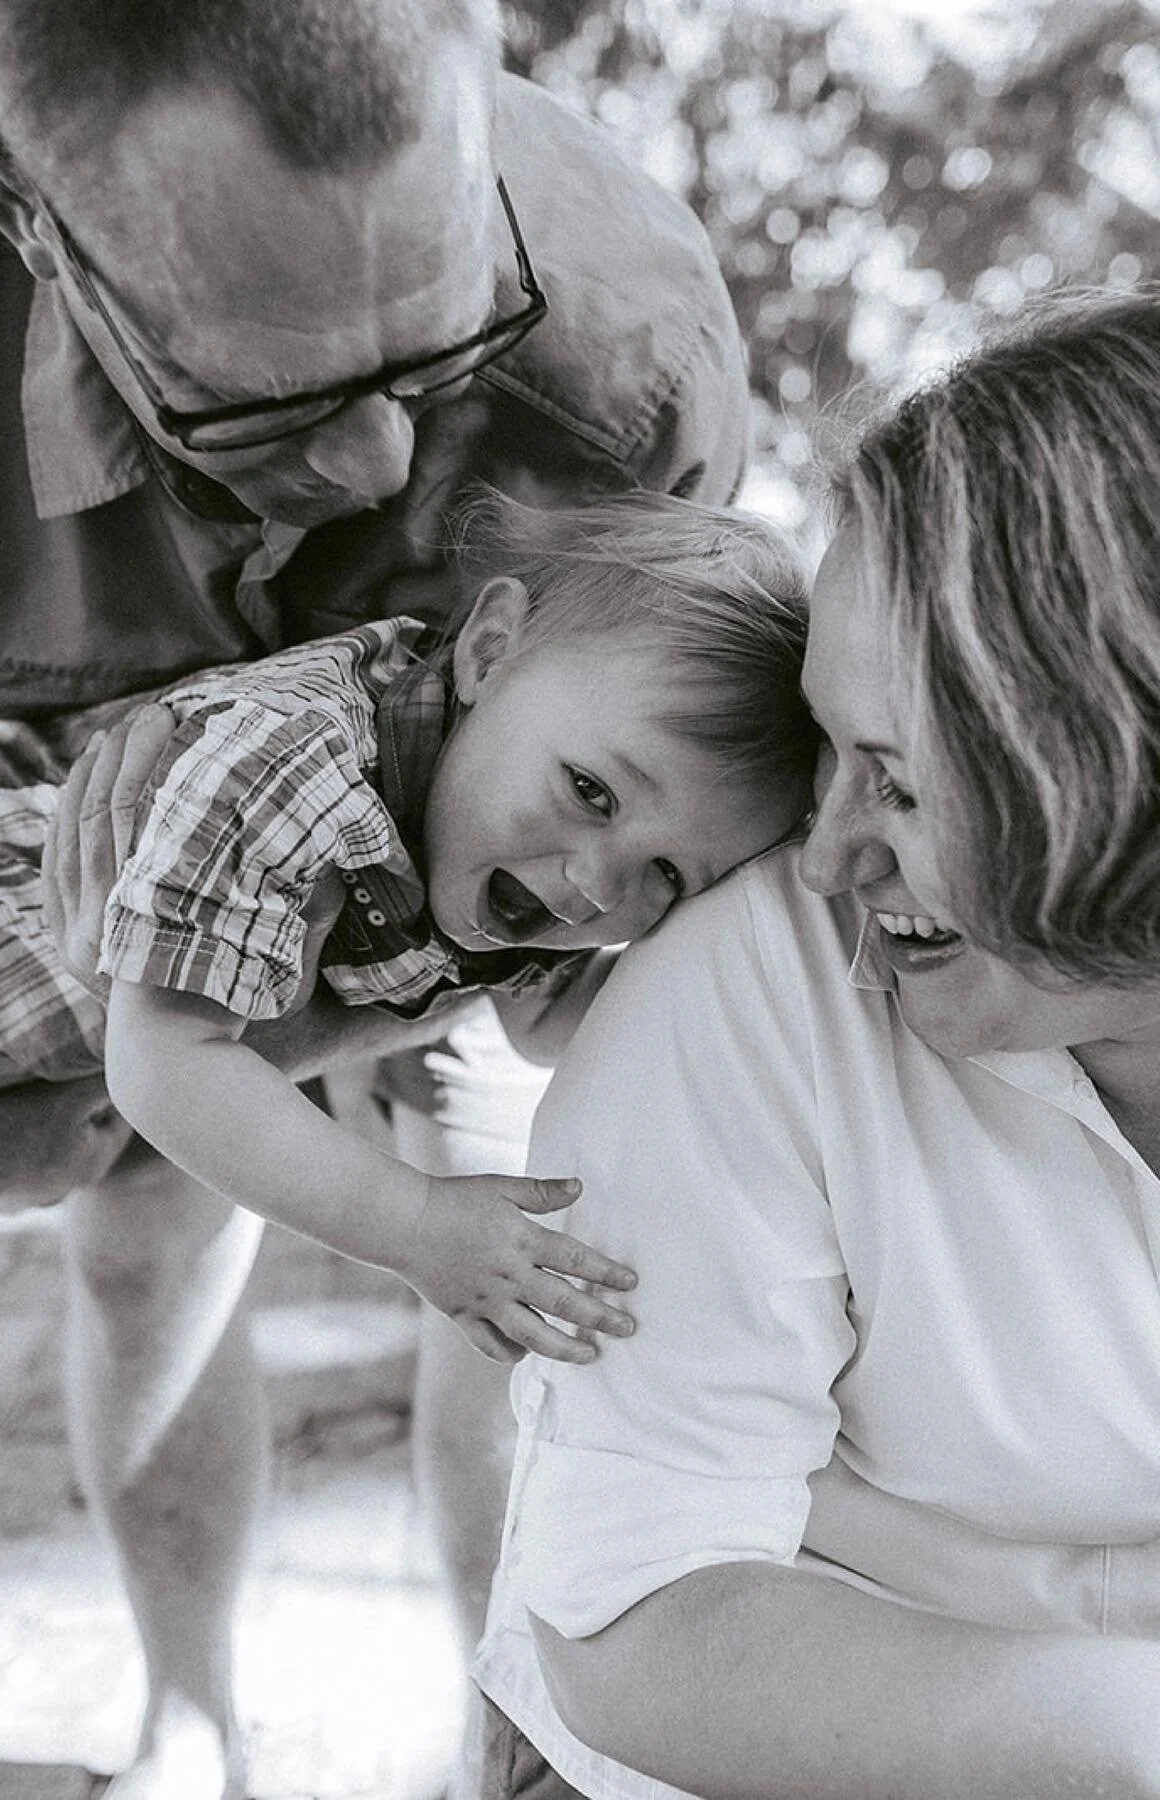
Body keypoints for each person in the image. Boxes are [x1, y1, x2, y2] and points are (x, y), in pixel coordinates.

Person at [0, 2, 749, 1791]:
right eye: (276, 401)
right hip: (97, 821)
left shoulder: (628, 336)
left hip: (458, 827)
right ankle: (190, 1719)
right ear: (30, 223)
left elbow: (666, 765)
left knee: (525, 1260)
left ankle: (518, 1734)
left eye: (436, 363)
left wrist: (473, 1018)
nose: (379, 474)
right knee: (139, 1241)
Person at [468, 288, 1160, 1800]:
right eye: (827, 755)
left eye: (898, 786)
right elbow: (631, 1611)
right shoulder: (749, 989)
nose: (829, 854)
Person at [0, 494, 814, 1358]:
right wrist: (416, 1226)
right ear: (489, 651)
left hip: (67, 1021)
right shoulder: (301, 768)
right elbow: (167, 1068)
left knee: (14, 1098)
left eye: (669, 875)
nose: (594, 884)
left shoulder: (518, 844)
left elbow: (542, 1022)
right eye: (591, 790)